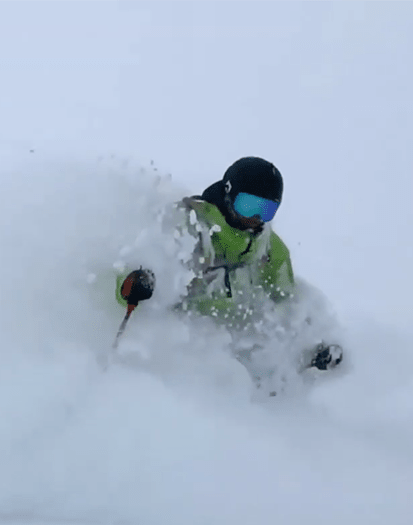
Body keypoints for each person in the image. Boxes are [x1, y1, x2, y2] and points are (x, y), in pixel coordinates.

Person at [113, 156, 343, 396]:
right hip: (181, 348)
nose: (255, 216)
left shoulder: (270, 251)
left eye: (266, 209)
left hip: (239, 353)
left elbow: (288, 303)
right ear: (228, 194)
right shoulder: (187, 225)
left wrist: (314, 344)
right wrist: (138, 282)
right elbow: (143, 266)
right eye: (248, 204)